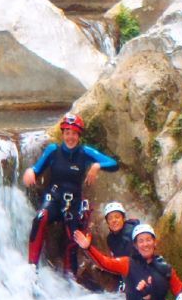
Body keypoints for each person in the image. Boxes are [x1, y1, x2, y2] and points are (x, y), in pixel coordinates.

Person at [24, 114, 118, 277]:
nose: (70, 137)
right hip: (53, 197)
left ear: (79, 135)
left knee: (74, 236)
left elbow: (113, 163)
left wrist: (96, 165)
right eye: (67, 133)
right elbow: (37, 169)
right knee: (41, 217)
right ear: (63, 134)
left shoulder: (85, 152)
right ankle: (32, 267)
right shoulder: (53, 150)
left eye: (74, 133)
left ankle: (70, 277)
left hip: (72, 201)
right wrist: (30, 171)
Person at [74, 225, 182, 300]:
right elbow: (104, 263)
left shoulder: (166, 268)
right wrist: (88, 248)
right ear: (135, 245)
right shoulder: (127, 263)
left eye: (148, 240)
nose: (145, 244)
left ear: (154, 242)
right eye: (141, 241)